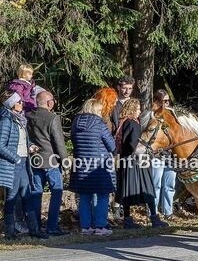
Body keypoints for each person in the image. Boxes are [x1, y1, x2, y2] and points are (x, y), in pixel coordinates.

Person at [114, 99, 164, 228]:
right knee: (148, 189)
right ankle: (154, 219)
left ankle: (127, 220)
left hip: (124, 160)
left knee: (126, 192)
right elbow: (133, 144)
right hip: (137, 161)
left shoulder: (122, 122)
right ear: (131, 110)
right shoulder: (133, 123)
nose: (139, 111)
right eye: (137, 109)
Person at [0, 92, 44, 239]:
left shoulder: (19, 120)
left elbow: (21, 141)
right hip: (14, 165)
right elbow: (1, 145)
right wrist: (16, 158)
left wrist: (30, 146)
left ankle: (34, 230)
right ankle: (10, 232)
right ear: (12, 104)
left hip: (24, 163)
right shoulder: (6, 121)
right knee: (12, 198)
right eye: (19, 102)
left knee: (27, 196)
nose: (22, 104)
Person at [70, 98, 116, 235]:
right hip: (99, 167)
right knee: (102, 196)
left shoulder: (75, 122)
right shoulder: (99, 123)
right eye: (100, 111)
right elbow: (111, 145)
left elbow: (74, 141)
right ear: (96, 110)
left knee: (84, 197)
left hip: (81, 165)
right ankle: (100, 226)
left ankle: (86, 227)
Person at [27, 90, 68, 235]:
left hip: (35, 160)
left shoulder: (28, 116)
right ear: (49, 103)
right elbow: (59, 143)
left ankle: (36, 227)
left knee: (36, 194)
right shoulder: (52, 118)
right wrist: (65, 162)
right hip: (51, 161)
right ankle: (52, 226)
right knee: (56, 193)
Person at [150, 90, 177, 219]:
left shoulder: (172, 114)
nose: (166, 103)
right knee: (156, 184)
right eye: (164, 101)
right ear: (157, 101)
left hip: (171, 154)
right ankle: (153, 212)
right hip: (157, 154)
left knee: (169, 185)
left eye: (168, 101)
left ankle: (168, 211)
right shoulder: (153, 115)